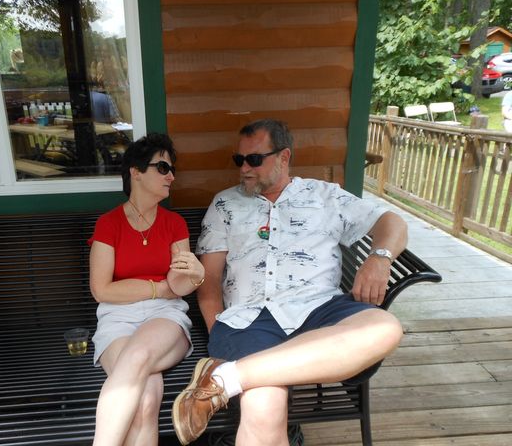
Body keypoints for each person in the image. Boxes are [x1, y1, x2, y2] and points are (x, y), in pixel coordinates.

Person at [171, 119, 408, 446]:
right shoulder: (225, 204)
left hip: (320, 309)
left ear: (284, 157)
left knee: (385, 327)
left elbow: (391, 222)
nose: (244, 169)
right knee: (264, 407)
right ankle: (230, 375)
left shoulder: (325, 196)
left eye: (254, 159)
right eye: (239, 160)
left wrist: (379, 258)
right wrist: (218, 331)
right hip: (249, 320)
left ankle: (224, 378)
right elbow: (209, 279)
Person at [88, 133, 205, 445]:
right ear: (136, 172)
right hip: (117, 318)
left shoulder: (174, 223)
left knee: (138, 355)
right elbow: (102, 291)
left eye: (172, 169)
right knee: (145, 401)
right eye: (163, 167)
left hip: (164, 316)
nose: (171, 176)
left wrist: (195, 277)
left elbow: (176, 286)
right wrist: (157, 288)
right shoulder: (109, 224)